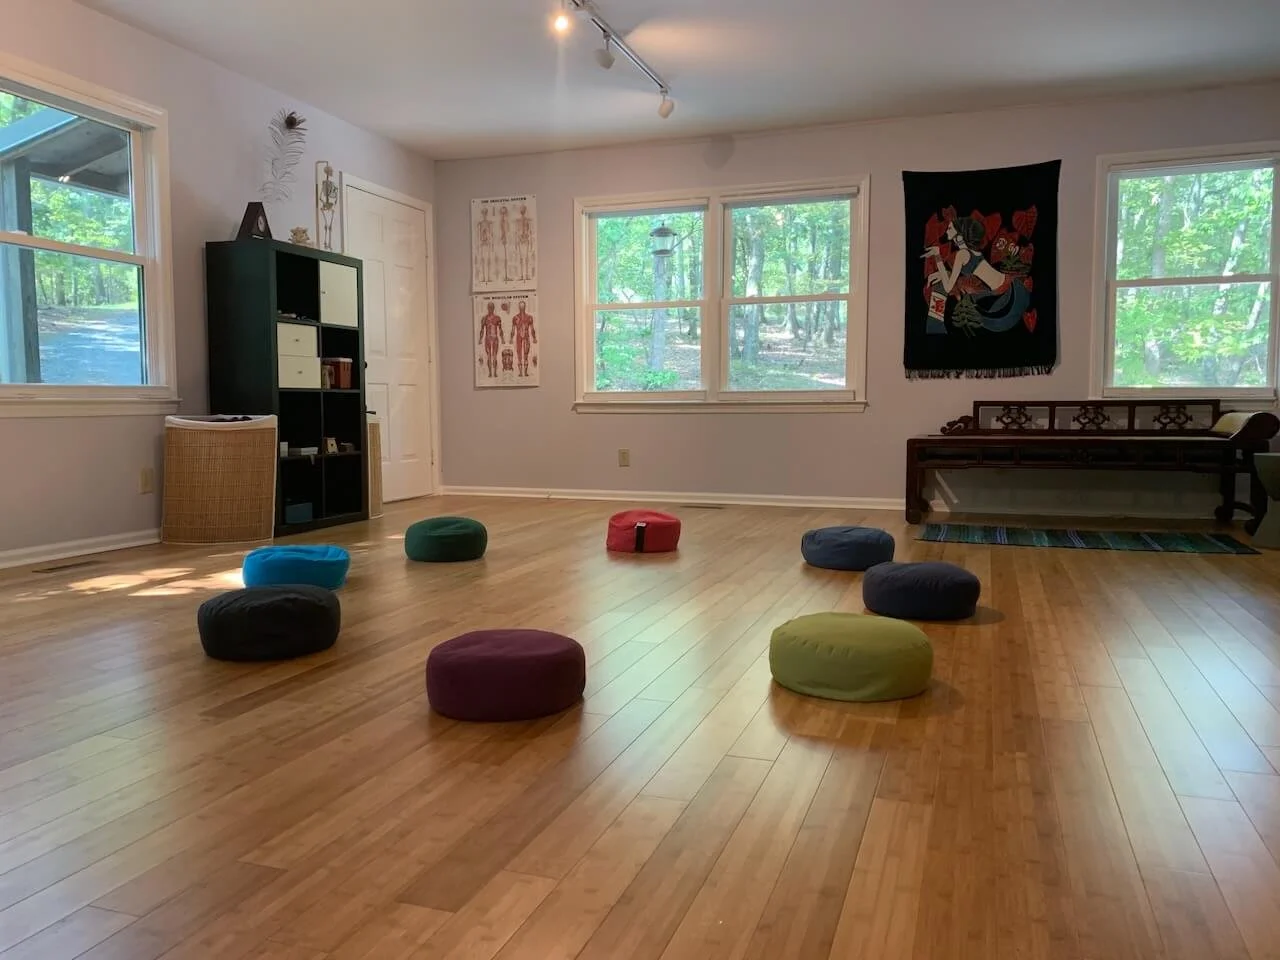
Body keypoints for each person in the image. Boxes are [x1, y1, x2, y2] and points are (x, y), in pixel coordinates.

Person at [922, 217, 1030, 333]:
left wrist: (937, 256)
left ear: (959, 233)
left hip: (1002, 293)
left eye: (950, 228)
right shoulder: (972, 250)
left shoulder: (962, 254)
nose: (947, 231)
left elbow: (948, 288)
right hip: (1008, 283)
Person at [511, 299, 537, 377]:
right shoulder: (515, 318)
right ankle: (520, 373)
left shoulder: (529, 317)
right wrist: (511, 338)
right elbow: (513, 330)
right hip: (519, 337)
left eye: (523, 307)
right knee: (519, 355)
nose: (522, 308)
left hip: (526, 337)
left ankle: (525, 372)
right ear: (519, 307)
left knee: (525, 355)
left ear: (525, 307)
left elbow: (532, 329)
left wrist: (534, 338)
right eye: (520, 307)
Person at [477, 301, 504, 378]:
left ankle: (495, 373)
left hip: (495, 338)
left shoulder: (497, 318)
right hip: (488, 338)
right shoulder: (484, 318)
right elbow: (482, 330)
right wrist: (480, 339)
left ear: (493, 308)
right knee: (489, 356)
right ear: (487, 308)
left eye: (492, 307)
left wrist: (502, 339)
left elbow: (500, 329)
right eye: (489, 307)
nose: (490, 309)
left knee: (495, 356)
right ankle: (490, 373)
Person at [475, 207, 495, 284]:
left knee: (488, 259)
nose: (484, 214)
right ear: (482, 214)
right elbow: (479, 234)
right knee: (483, 259)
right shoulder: (480, 223)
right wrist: (479, 244)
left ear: (486, 214)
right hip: (482, 242)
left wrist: (492, 243)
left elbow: (491, 234)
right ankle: (483, 277)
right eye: (483, 213)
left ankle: (488, 277)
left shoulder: (489, 223)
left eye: (485, 213)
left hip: (488, 242)